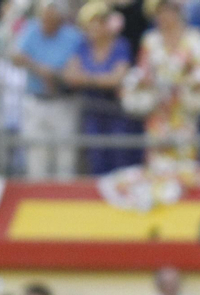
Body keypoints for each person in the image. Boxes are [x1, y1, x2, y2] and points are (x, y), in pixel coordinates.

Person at [119, 0, 200, 169]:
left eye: (167, 11)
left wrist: (179, 83)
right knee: (158, 160)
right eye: (159, 13)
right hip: (158, 110)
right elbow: (143, 70)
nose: (164, 17)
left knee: (185, 160)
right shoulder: (150, 40)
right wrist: (140, 83)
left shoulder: (194, 38)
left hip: (183, 109)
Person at [62, 0, 135, 176]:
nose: (94, 29)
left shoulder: (120, 46)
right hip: (93, 113)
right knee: (96, 158)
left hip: (117, 114)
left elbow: (117, 78)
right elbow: (69, 76)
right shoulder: (82, 47)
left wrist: (86, 79)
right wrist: (100, 80)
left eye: (99, 23)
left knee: (120, 158)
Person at [13, 0, 83, 179]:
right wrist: (40, 69)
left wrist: (56, 75)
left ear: (60, 19)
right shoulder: (32, 29)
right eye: (44, 17)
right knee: (36, 153)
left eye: (51, 18)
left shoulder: (73, 36)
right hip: (36, 99)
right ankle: (36, 197)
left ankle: (65, 198)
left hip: (63, 100)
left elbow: (77, 68)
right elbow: (16, 56)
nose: (46, 22)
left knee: (65, 154)